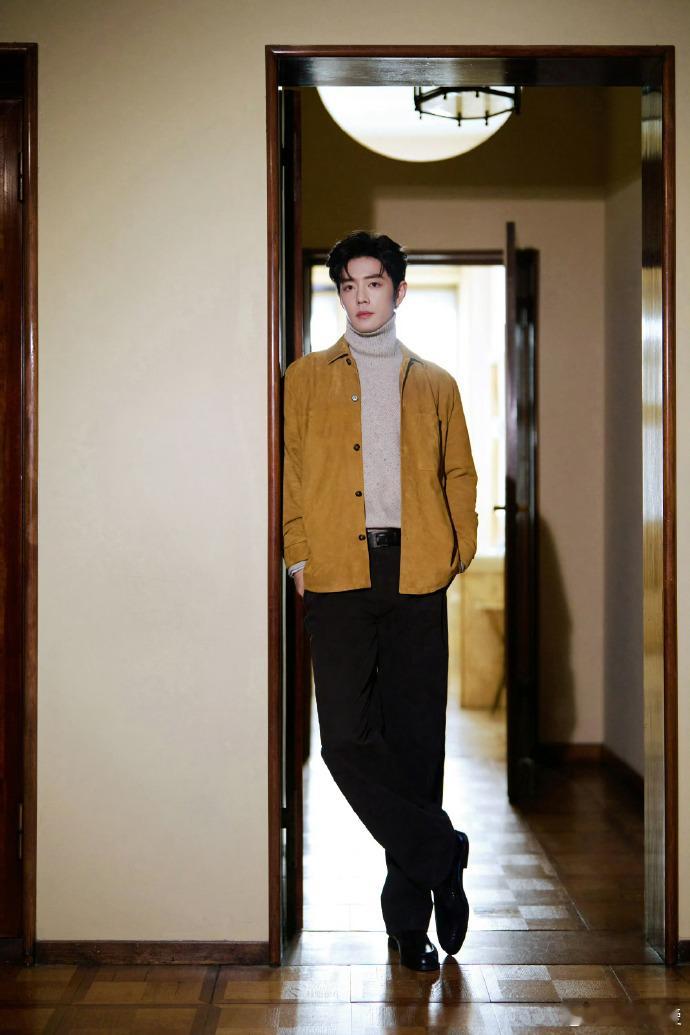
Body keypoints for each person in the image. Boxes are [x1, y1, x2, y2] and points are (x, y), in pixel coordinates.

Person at [282, 230, 478, 972]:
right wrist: (298, 554)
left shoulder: (436, 383)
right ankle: (442, 853)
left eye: (373, 283)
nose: (360, 297)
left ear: (398, 291)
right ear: (339, 293)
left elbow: (460, 474)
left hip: (417, 572)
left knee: (416, 747)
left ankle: (407, 925)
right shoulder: (305, 378)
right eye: (348, 284)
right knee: (345, 740)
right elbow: (290, 472)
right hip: (336, 572)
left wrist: (455, 551)